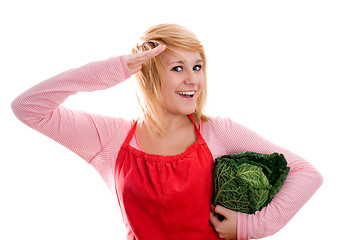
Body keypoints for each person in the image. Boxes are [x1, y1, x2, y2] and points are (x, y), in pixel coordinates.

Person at [11, 24, 323, 240]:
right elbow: (28, 106)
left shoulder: (217, 132)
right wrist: (116, 68)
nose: (193, 81)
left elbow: (306, 173)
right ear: (145, 75)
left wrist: (251, 227)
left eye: (197, 67)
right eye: (177, 68)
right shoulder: (110, 137)